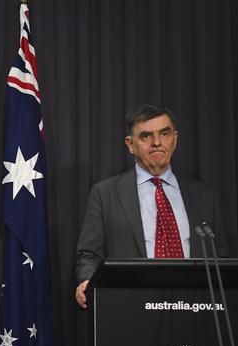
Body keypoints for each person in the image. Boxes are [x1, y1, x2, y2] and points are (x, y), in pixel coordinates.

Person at [75, 104, 228, 308]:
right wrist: (87, 280)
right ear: (130, 144)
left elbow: (221, 257)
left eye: (164, 133)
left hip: (195, 306)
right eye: (146, 136)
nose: (157, 142)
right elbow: (89, 254)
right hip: (131, 307)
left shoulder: (205, 196)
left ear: (175, 139)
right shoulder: (105, 193)